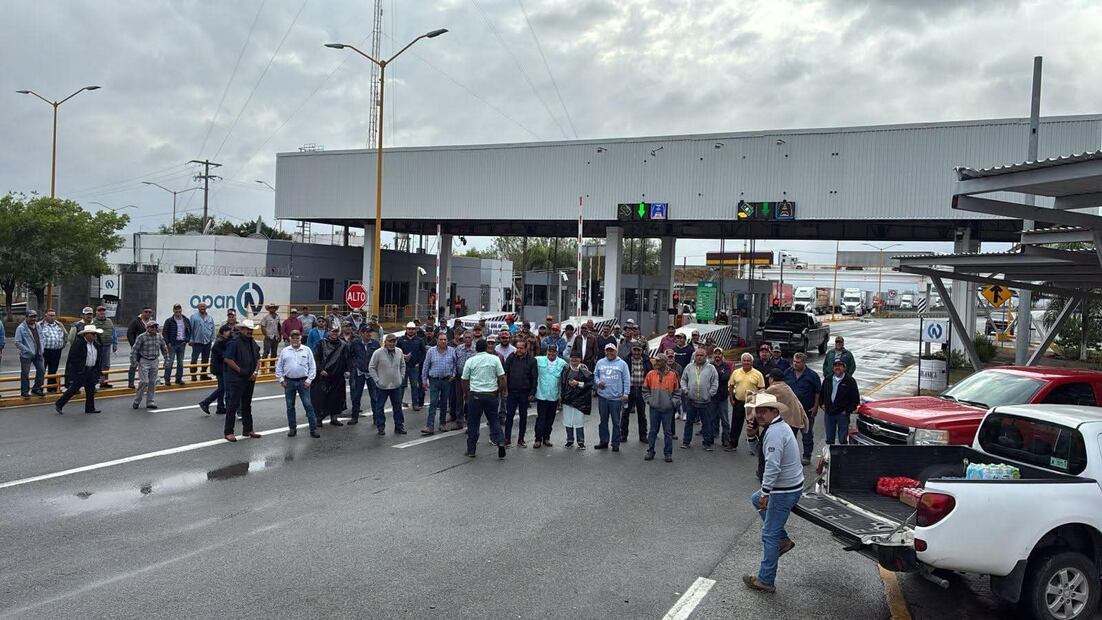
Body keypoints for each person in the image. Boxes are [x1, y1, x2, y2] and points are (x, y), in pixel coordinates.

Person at [742, 392, 804, 594]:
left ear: (774, 411)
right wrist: (751, 435)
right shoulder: (773, 428)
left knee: (769, 534)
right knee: (755, 500)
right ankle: (782, 540)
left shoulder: (775, 432)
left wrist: (766, 492)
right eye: (757, 411)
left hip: (783, 490)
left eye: (763, 411)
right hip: (789, 486)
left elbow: (773, 466)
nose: (759, 415)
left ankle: (765, 580)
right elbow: (758, 453)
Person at [460, 338, 506, 458]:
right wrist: (502, 391)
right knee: (494, 420)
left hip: (475, 395)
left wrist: (466, 393)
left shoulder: (471, 361)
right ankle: (500, 441)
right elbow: (502, 377)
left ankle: (471, 450)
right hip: (491, 394)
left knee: (473, 423)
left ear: (476, 349)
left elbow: (464, 379)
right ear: (486, 347)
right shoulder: (495, 359)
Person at [222, 320, 262, 442]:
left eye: (251, 329)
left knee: (247, 404)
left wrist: (255, 372)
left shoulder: (252, 342)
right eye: (247, 329)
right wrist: (241, 371)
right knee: (233, 404)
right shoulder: (234, 342)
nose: (250, 331)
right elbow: (228, 359)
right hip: (237, 378)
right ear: (241, 329)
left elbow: (258, 359)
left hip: (250, 378)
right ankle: (229, 431)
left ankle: (248, 429)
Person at [276, 329, 319, 438]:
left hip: (303, 382)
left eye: (297, 337)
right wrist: (281, 379)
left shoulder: (307, 350)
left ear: (300, 338)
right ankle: (292, 428)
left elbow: (312, 366)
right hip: (289, 382)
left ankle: (313, 429)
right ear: (290, 338)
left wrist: (309, 380)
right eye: (293, 337)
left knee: (308, 405)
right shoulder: (285, 351)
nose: (295, 339)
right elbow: (279, 366)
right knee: (290, 406)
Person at [55, 324, 104, 415]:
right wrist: (76, 371)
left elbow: (98, 360)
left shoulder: (96, 345)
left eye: (95, 334)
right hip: (81, 370)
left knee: (91, 390)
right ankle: (59, 404)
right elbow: (73, 358)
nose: (95, 336)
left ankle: (90, 408)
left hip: (91, 370)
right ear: (86, 334)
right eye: (93, 334)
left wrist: (99, 372)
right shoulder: (79, 344)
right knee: (73, 389)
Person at [784, 352, 822, 465]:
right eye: (794, 361)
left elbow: (818, 392)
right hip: (791, 411)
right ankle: (790, 456)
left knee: (807, 434)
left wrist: (815, 407)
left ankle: (807, 456)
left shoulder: (812, 375)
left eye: (798, 362)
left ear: (804, 363)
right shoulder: (788, 373)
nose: (795, 364)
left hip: (806, 411)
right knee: (790, 435)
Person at [642, 354, 681, 462]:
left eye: (659, 361)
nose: (656, 363)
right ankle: (650, 451)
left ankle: (668, 453)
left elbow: (677, 392)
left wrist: (672, 403)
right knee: (653, 431)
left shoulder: (673, 375)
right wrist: (649, 400)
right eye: (656, 361)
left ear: (664, 362)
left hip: (667, 409)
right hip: (654, 408)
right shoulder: (651, 374)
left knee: (667, 432)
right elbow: (645, 390)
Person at [594, 343, 630, 452]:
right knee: (603, 421)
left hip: (616, 399)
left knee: (616, 422)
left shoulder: (622, 364)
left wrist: (626, 393)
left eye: (612, 350)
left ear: (616, 351)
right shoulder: (600, 362)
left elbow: (626, 379)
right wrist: (598, 382)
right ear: (605, 352)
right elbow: (595, 375)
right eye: (607, 350)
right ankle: (604, 441)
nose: (609, 352)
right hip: (603, 397)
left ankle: (615, 443)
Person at [369, 333, 407, 435]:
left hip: (396, 385)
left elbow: (403, 365)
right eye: (390, 341)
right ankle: (381, 427)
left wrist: (401, 377)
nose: (392, 343)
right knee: (380, 407)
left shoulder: (399, 351)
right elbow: (371, 367)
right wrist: (377, 380)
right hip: (382, 386)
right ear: (385, 342)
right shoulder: (378, 352)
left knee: (397, 407)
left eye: (394, 341)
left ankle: (399, 426)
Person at [681, 348, 719, 450]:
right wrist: (685, 390)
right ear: (694, 356)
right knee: (689, 422)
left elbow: (715, 382)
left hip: (706, 401)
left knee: (707, 423)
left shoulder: (711, 368)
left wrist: (710, 394)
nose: (699, 357)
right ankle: (686, 442)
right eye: (697, 355)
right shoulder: (689, 367)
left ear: (705, 357)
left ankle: (707, 443)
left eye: (702, 355)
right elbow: (683, 380)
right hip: (691, 400)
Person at [313, 325, 350, 428]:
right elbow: (316, 357)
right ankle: (319, 418)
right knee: (322, 397)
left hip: (338, 375)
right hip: (324, 375)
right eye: (332, 331)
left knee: (337, 397)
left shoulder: (343, 344)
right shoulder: (321, 343)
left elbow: (347, 358)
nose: (334, 333)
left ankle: (334, 418)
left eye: (336, 331)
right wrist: (320, 369)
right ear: (328, 331)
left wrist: (347, 370)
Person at [728, 352, 766, 453]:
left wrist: (759, 403)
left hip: (752, 403)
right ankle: (732, 444)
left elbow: (762, 389)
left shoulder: (758, 374)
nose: (746, 362)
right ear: (741, 362)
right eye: (744, 360)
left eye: (748, 360)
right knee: (736, 424)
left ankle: (755, 446)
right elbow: (731, 386)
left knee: (753, 425)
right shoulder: (736, 372)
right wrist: (731, 399)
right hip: (738, 401)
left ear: (751, 362)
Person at [502, 338, 537, 446]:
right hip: (512, 392)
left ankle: (521, 439)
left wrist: (532, 393)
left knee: (523, 416)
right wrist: (505, 389)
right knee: (509, 416)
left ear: (526, 349)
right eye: (517, 348)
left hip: (524, 393)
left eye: (521, 348)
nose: (519, 350)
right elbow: (504, 372)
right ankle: (507, 439)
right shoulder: (511, 358)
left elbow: (534, 378)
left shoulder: (532, 360)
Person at [421, 332, 457, 435]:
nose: (443, 341)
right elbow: (425, 366)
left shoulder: (452, 351)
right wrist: (424, 380)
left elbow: (455, 364)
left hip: (447, 381)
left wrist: (453, 375)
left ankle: (442, 424)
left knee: (444, 403)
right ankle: (430, 426)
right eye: (441, 339)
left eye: (445, 339)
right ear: (437, 340)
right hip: (434, 380)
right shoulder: (431, 351)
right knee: (433, 402)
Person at [820, 358, 860, 445]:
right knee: (829, 439)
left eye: (840, 365)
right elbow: (822, 394)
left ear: (844, 368)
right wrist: (822, 404)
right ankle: (830, 453)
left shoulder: (850, 381)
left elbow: (855, 400)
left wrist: (847, 411)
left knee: (842, 439)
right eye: (835, 365)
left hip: (842, 415)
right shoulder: (827, 379)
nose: (837, 368)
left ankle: (842, 453)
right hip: (829, 414)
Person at [130, 320, 168, 410]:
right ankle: (137, 401)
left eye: (155, 327)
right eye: (152, 327)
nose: (154, 328)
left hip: (155, 360)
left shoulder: (159, 337)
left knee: (152, 382)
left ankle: (150, 401)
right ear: (147, 328)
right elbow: (134, 350)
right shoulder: (141, 337)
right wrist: (133, 361)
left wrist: (166, 360)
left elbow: (164, 349)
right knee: (144, 381)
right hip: (144, 360)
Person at [533, 345, 566, 448]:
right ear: (547, 351)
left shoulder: (562, 363)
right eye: (550, 351)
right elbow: (528, 361)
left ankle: (546, 438)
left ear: (557, 352)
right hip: (541, 395)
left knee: (550, 419)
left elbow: (567, 376)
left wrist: (561, 395)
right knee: (541, 418)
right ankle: (538, 439)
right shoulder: (538, 360)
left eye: (554, 351)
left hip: (554, 395)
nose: (551, 353)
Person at [560, 350, 592, 449]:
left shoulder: (584, 370)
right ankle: (569, 440)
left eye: (576, 358)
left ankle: (580, 441)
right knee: (568, 420)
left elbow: (590, 383)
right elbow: (561, 383)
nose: (574, 360)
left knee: (579, 421)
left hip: (580, 400)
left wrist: (577, 383)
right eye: (572, 358)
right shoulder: (565, 369)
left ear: (580, 359)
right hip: (567, 399)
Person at [199, 324, 234, 415]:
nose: (230, 333)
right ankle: (206, 402)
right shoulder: (220, 342)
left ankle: (220, 406)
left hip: (219, 367)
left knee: (221, 387)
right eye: (228, 331)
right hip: (220, 368)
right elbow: (222, 354)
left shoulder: (222, 340)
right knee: (223, 388)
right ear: (224, 332)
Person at [621, 342, 651, 443]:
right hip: (629, 389)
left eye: (639, 350)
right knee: (625, 413)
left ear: (642, 351)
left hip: (642, 389)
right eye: (635, 350)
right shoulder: (626, 360)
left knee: (642, 414)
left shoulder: (646, 361)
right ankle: (623, 435)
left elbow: (650, 374)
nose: (637, 352)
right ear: (631, 350)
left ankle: (643, 435)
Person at [350, 324, 380, 425]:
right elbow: (351, 356)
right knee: (356, 396)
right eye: (367, 332)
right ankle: (354, 417)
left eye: (370, 332)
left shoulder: (376, 344)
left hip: (371, 374)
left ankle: (376, 418)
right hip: (359, 373)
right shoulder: (355, 343)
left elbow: (379, 358)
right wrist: (355, 366)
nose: (369, 334)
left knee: (374, 397)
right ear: (361, 333)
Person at [765, 368, 808, 434]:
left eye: (769, 378)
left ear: (772, 379)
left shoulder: (773, 388)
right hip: (795, 420)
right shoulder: (785, 386)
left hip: (788, 422)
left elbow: (762, 398)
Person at [397, 321, 427, 411]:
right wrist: (403, 356)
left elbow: (423, 353)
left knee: (414, 386)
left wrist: (419, 363)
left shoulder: (419, 340)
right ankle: (398, 404)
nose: (411, 331)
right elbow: (396, 351)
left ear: (415, 330)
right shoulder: (401, 340)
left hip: (414, 366)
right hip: (403, 366)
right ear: (406, 329)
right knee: (402, 385)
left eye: (412, 329)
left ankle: (415, 404)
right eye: (409, 329)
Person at [15, 311, 45, 398]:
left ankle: (36, 389)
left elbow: (42, 337)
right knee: (25, 373)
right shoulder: (21, 328)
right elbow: (17, 342)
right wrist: (27, 350)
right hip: (26, 355)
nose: (33, 319)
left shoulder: (38, 326)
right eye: (31, 317)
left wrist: (42, 348)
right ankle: (24, 391)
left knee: (41, 370)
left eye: (34, 317)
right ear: (26, 317)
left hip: (38, 353)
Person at [162, 303, 192, 386]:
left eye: (179, 310)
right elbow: (165, 332)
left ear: (181, 310)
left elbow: (189, 330)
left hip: (182, 343)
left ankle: (178, 379)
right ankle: (167, 379)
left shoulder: (186, 320)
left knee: (180, 363)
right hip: (172, 344)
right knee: (170, 362)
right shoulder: (169, 321)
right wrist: (168, 343)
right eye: (176, 310)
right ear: (173, 310)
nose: (178, 311)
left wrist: (187, 340)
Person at [711, 349, 734, 450]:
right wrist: (719, 374)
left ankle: (726, 439)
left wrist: (716, 375)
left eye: (719, 353)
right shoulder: (710, 365)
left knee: (725, 419)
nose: (717, 355)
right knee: (711, 418)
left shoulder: (726, 366)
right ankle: (711, 436)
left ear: (722, 355)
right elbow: (709, 378)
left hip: (723, 397)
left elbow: (725, 377)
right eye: (715, 353)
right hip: (712, 396)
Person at [40, 310, 67, 394]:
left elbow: (65, 335)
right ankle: (39, 388)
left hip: (56, 351)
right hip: (44, 351)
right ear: (46, 316)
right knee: (41, 370)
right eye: (50, 315)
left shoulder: (59, 325)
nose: (52, 317)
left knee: (53, 370)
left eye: (53, 315)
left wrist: (62, 345)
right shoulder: (40, 325)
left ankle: (51, 387)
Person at [126, 306, 153, 388]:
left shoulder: (152, 322)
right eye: (146, 312)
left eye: (149, 312)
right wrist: (134, 345)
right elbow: (130, 333)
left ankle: (148, 381)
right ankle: (131, 383)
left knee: (148, 366)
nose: (148, 313)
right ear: (142, 312)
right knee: (134, 364)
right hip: (138, 348)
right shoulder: (136, 321)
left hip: (148, 349)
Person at [91, 305, 117, 389]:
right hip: (96, 346)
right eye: (99, 311)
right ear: (96, 312)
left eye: (103, 311)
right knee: (95, 364)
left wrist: (115, 344)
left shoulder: (109, 321)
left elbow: (113, 333)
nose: (102, 312)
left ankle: (104, 382)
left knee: (106, 365)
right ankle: (93, 383)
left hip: (107, 346)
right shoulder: (92, 322)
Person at [189, 302, 216, 381]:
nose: (202, 308)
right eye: (201, 306)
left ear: (206, 307)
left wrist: (212, 339)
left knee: (205, 359)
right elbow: (190, 329)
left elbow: (213, 329)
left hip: (207, 342)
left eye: (204, 306)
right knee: (194, 359)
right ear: (198, 307)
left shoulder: (210, 318)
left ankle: (203, 374)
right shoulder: (194, 317)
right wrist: (190, 339)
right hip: (197, 342)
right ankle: (193, 375)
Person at [259, 304, 282, 370]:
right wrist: (266, 335)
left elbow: (279, 327)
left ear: (275, 309)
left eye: (274, 308)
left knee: (274, 353)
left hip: (275, 337)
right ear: (269, 309)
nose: (272, 309)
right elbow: (262, 326)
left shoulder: (277, 317)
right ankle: (263, 367)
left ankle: (272, 367)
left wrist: (280, 336)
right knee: (266, 352)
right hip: (268, 337)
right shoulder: (266, 317)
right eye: (271, 308)